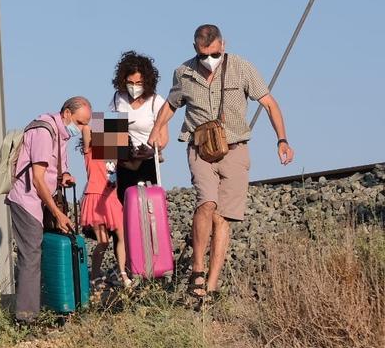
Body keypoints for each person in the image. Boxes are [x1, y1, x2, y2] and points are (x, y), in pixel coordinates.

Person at [149, 24, 294, 303]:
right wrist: (157, 129)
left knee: (223, 217)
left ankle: (211, 287)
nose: (209, 59)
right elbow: (171, 104)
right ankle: (198, 269)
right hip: (199, 148)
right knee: (206, 202)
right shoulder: (184, 72)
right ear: (195, 49)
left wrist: (282, 140)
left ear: (223, 45)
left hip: (235, 149)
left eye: (214, 53)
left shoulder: (242, 68)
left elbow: (270, 104)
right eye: (204, 55)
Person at [5, 96, 92, 324]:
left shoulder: (59, 133)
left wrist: (64, 177)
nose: (82, 129)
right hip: (27, 201)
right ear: (66, 114)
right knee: (31, 256)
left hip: (41, 200)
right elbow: (38, 180)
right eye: (80, 123)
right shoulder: (45, 132)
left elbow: (52, 171)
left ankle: (47, 305)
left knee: (41, 254)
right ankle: (26, 317)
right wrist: (57, 213)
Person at [107, 51, 167, 201]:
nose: (134, 87)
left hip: (148, 162)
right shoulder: (118, 98)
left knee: (149, 202)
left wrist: (150, 150)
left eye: (139, 83)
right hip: (123, 163)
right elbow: (108, 135)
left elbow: (164, 138)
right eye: (130, 83)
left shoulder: (156, 101)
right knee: (124, 202)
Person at [80, 114, 130, 290]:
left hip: (112, 198)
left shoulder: (114, 156)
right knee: (104, 241)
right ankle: (94, 275)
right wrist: (97, 122)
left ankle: (123, 272)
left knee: (122, 235)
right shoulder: (91, 152)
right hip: (95, 197)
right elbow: (86, 129)